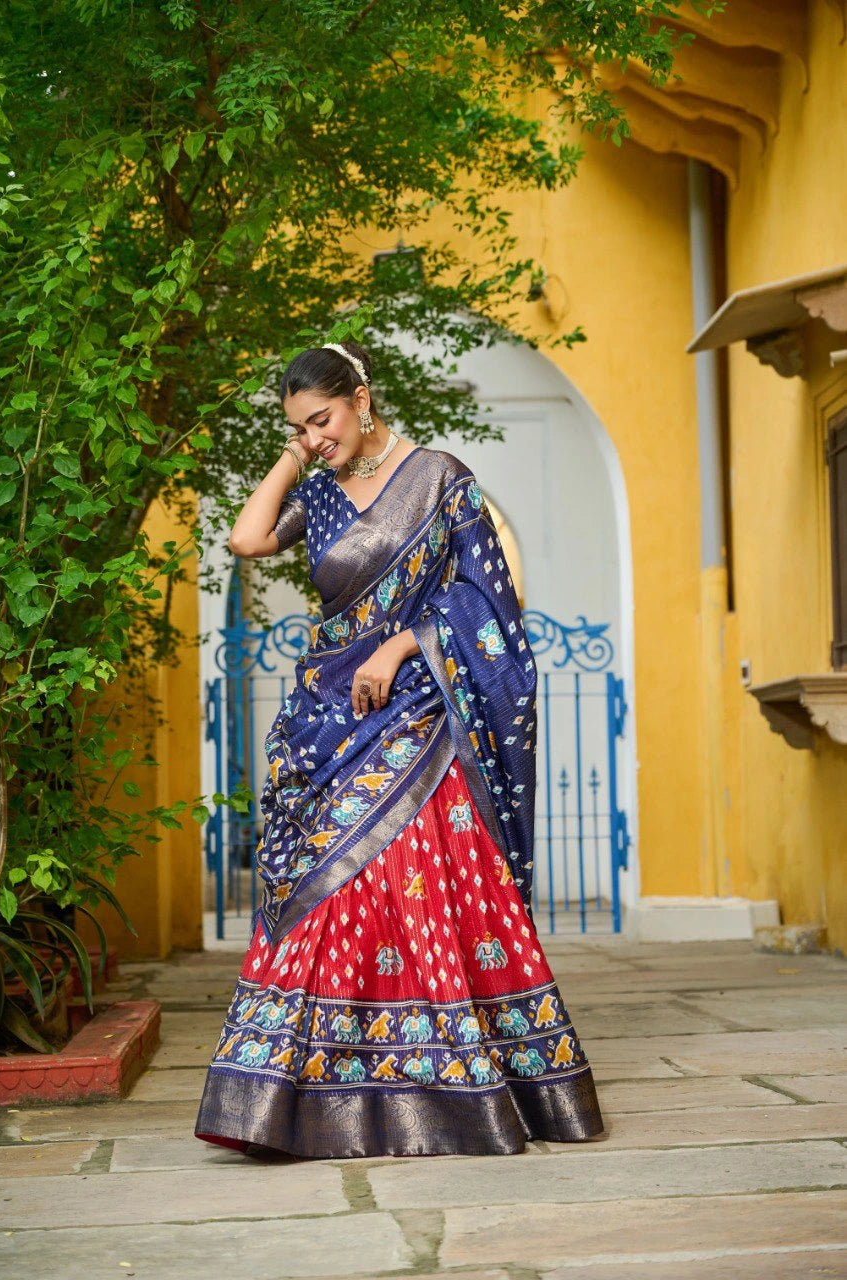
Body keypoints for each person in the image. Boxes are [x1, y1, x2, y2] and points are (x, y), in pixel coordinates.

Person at [194, 340, 604, 1158]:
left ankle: (445, 1081)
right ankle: (299, 1091)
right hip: (328, 712)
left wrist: (404, 644)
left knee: (410, 880)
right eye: (301, 428)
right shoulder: (317, 491)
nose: (317, 438)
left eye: (323, 419)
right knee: (323, 888)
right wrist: (290, 454)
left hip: (417, 710)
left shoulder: (439, 478)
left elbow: (487, 598)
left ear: (361, 397)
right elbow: (245, 541)